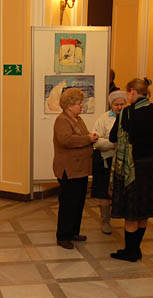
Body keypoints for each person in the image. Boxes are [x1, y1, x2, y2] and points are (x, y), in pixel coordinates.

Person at [108, 77, 153, 261]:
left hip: (131, 168)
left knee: (131, 212)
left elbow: (113, 137)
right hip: (148, 166)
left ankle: (130, 251)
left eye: (128, 93)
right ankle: (136, 249)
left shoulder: (127, 112)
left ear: (132, 91)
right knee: (143, 210)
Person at [53, 88, 99, 249]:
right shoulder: (62, 120)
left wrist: (91, 137)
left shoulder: (77, 119)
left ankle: (73, 232)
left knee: (78, 202)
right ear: (69, 105)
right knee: (68, 204)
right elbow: (66, 140)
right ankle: (63, 236)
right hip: (69, 169)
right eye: (79, 103)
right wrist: (88, 138)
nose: (82, 106)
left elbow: (83, 135)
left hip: (80, 169)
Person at [91, 90, 128, 234]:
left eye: (122, 104)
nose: (119, 107)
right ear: (111, 104)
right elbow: (97, 141)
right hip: (106, 160)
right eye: (116, 104)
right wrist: (113, 144)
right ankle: (105, 221)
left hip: (123, 162)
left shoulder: (129, 118)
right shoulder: (103, 119)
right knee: (104, 192)